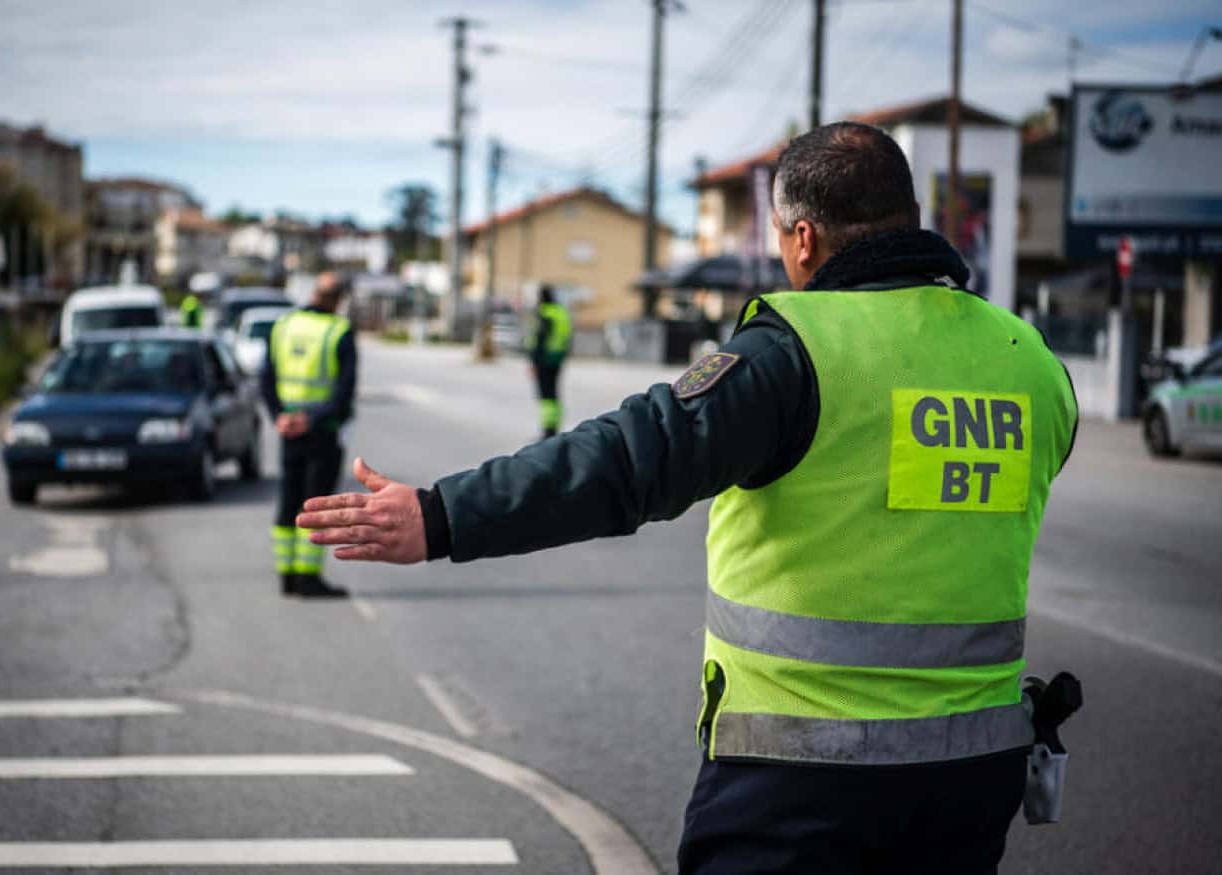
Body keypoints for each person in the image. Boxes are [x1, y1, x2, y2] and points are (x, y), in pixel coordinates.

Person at [296, 123, 1079, 873]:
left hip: (800, 774)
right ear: (908, 218)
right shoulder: (1029, 362)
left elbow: (625, 460)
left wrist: (440, 515)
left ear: (802, 238)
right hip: (971, 778)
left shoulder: (796, 353)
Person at [261, 272, 356, 599]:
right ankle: (308, 578)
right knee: (315, 506)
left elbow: (266, 378)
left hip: (289, 432)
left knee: (288, 501)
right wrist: (311, 419)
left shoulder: (284, 326)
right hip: (322, 434)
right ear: (337, 299)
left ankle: (286, 576)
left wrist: (280, 417)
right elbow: (343, 393)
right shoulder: (339, 331)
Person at [527, 285, 572, 438]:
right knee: (554, 394)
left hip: (543, 361)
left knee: (546, 397)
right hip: (557, 359)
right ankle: (554, 428)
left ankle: (548, 431)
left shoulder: (544, 313)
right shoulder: (561, 313)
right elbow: (566, 339)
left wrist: (533, 362)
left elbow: (540, 340)